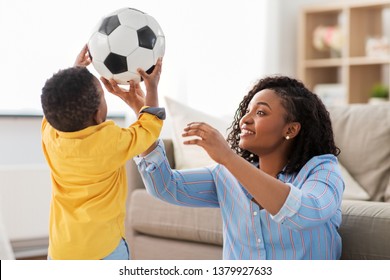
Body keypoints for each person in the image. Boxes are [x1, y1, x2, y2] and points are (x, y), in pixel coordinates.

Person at [135, 75, 344, 260]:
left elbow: (304, 213)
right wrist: (146, 116)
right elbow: (164, 186)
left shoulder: (322, 171)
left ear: (290, 129)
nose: (245, 119)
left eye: (261, 112)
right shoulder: (226, 175)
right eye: (247, 111)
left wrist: (228, 157)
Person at [40, 45, 165, 260]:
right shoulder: (109, 142)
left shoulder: (51, 135)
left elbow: (61, 102)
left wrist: (76, 70)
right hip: (102, 252)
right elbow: (149, 127)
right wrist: (152, 89)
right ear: (99, 114)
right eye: (102, 96)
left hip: (61, 252)